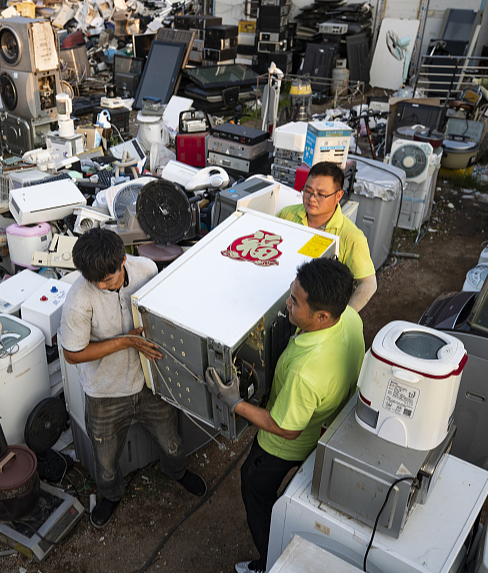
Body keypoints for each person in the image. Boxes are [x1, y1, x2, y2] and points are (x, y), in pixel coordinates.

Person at [206, 258, 365, 573]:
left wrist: (234, 402)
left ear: (321, 315)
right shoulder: (348, 319)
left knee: (254, 488)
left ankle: (269, 561)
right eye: (291, 294)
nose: (288, 304)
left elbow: (284, 428)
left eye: (295, 302)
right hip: (325, 428)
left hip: (285, 445)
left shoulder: (306, 371)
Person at [60, 228, 207, 528]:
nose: (102, 285)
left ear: (124, 260)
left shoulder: (147, 269)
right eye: (95, 281)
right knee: (105, 458)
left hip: (150, 381)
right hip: (105, 393)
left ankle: (176, 471)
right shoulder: (78, 300)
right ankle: (111, 495)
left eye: (109, 279)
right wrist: (125, 341)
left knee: (171, 440)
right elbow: (72, 354)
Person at [277, 161, 377, 311]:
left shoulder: (351, 236)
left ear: (338, 196)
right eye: (308, 190)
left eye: (321, 194)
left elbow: (369, 284)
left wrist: (344, 317)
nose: (311, 198)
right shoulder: (287, 214)